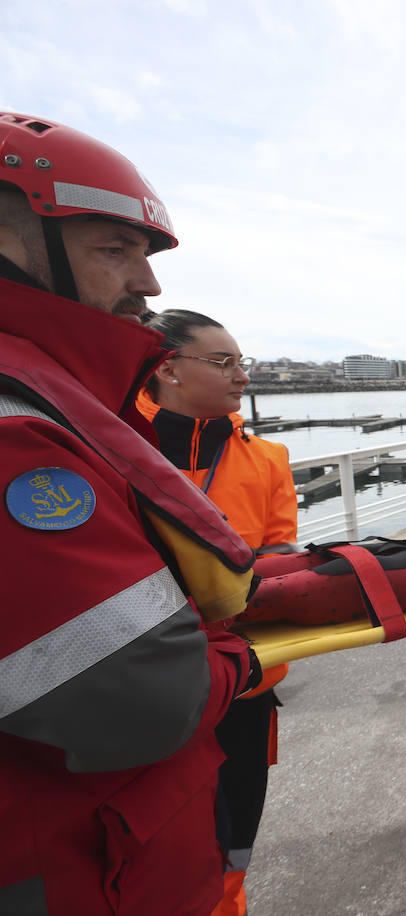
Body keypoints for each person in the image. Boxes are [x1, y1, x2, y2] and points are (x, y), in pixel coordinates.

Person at [0, 112, 260, 914]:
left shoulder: (58, 407)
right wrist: (237, 660)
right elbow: (141, 696)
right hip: (75, 865)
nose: (148, 285)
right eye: (113, 249)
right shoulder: (22, 435)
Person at [140, 309, 298, 916]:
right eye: (223, 362)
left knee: (235, 844)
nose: (241, 377)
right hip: (150, 684)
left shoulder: (267, 458)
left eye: (242, 362)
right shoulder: (113, 445)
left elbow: (281, 555)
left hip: (243, 678)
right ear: (166, 369)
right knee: (166, 852)